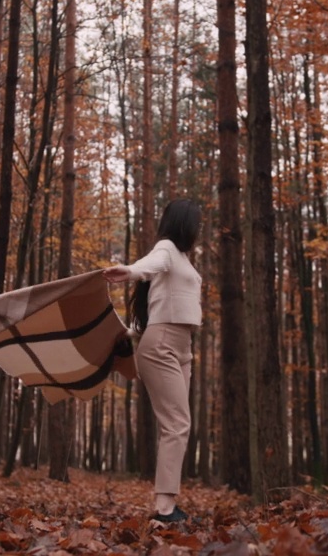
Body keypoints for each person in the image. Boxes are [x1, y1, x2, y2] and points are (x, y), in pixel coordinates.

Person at [103, 198, 202, 524]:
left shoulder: (184, 259)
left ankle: (168, 503)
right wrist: (129, 271)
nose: (198, 229)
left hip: (182, 348)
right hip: (161, 346)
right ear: (184, 223)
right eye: (195, 223)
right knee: (177, 424)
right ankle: (164, 509)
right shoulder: (167, 250)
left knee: (177, 426)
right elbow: (152, 263)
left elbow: (160, 298)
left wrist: (132, 332)